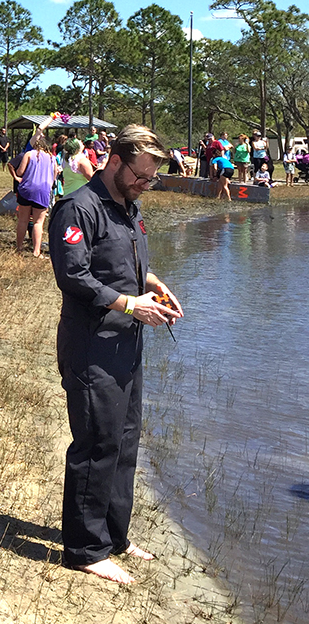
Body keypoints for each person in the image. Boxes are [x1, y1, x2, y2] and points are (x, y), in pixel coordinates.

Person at [49, 124, 183, 585]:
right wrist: (129, 303)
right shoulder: (77, 207)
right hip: (92, 346)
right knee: (97, 444)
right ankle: (85, 549)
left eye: (151, 179)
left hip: (128, 342)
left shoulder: (130, 206)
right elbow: (74, 275)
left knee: (126, 440)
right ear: (115, 161)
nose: (146, 184)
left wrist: (151, 282)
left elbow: (120, 262)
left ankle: (114, 535)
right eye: (141, 176)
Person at [13, 130, 57, 258]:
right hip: (43, 191)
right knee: (38, 222)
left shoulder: (29, 154)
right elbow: (54, 175)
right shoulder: (52, 158)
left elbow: (20, 172)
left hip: (27, 189)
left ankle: (19, 247)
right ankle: (36, 251)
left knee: (23, 219)